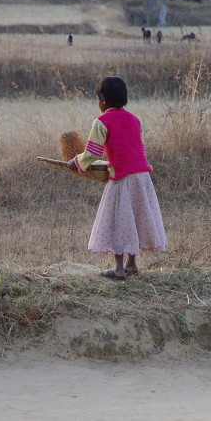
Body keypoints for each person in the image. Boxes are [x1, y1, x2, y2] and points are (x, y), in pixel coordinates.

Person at [67, 76, 167, 280]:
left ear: (103, 100)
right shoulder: (135, 119)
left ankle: (119, 269)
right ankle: (132, 264)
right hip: (142, 177)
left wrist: (76, 162)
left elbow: (93, 152)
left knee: (119, 220)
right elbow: (141, 148)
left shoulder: (101, 122)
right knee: (135, 218)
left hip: (122, 179)